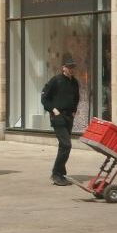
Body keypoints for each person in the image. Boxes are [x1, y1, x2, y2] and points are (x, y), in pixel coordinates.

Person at [41, 56, 79, 186]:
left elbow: (76, 98)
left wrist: (74, 110)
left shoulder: (75, 82)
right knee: (66, 144)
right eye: (69, 67)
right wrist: (53, 110)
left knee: (63, 146)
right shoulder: (55, 81)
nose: (71, 69)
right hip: (58, 117)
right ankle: (56, 174)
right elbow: (44, 98)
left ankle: (61, 173)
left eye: (73, 67)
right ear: (63, 68)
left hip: (69, 117)